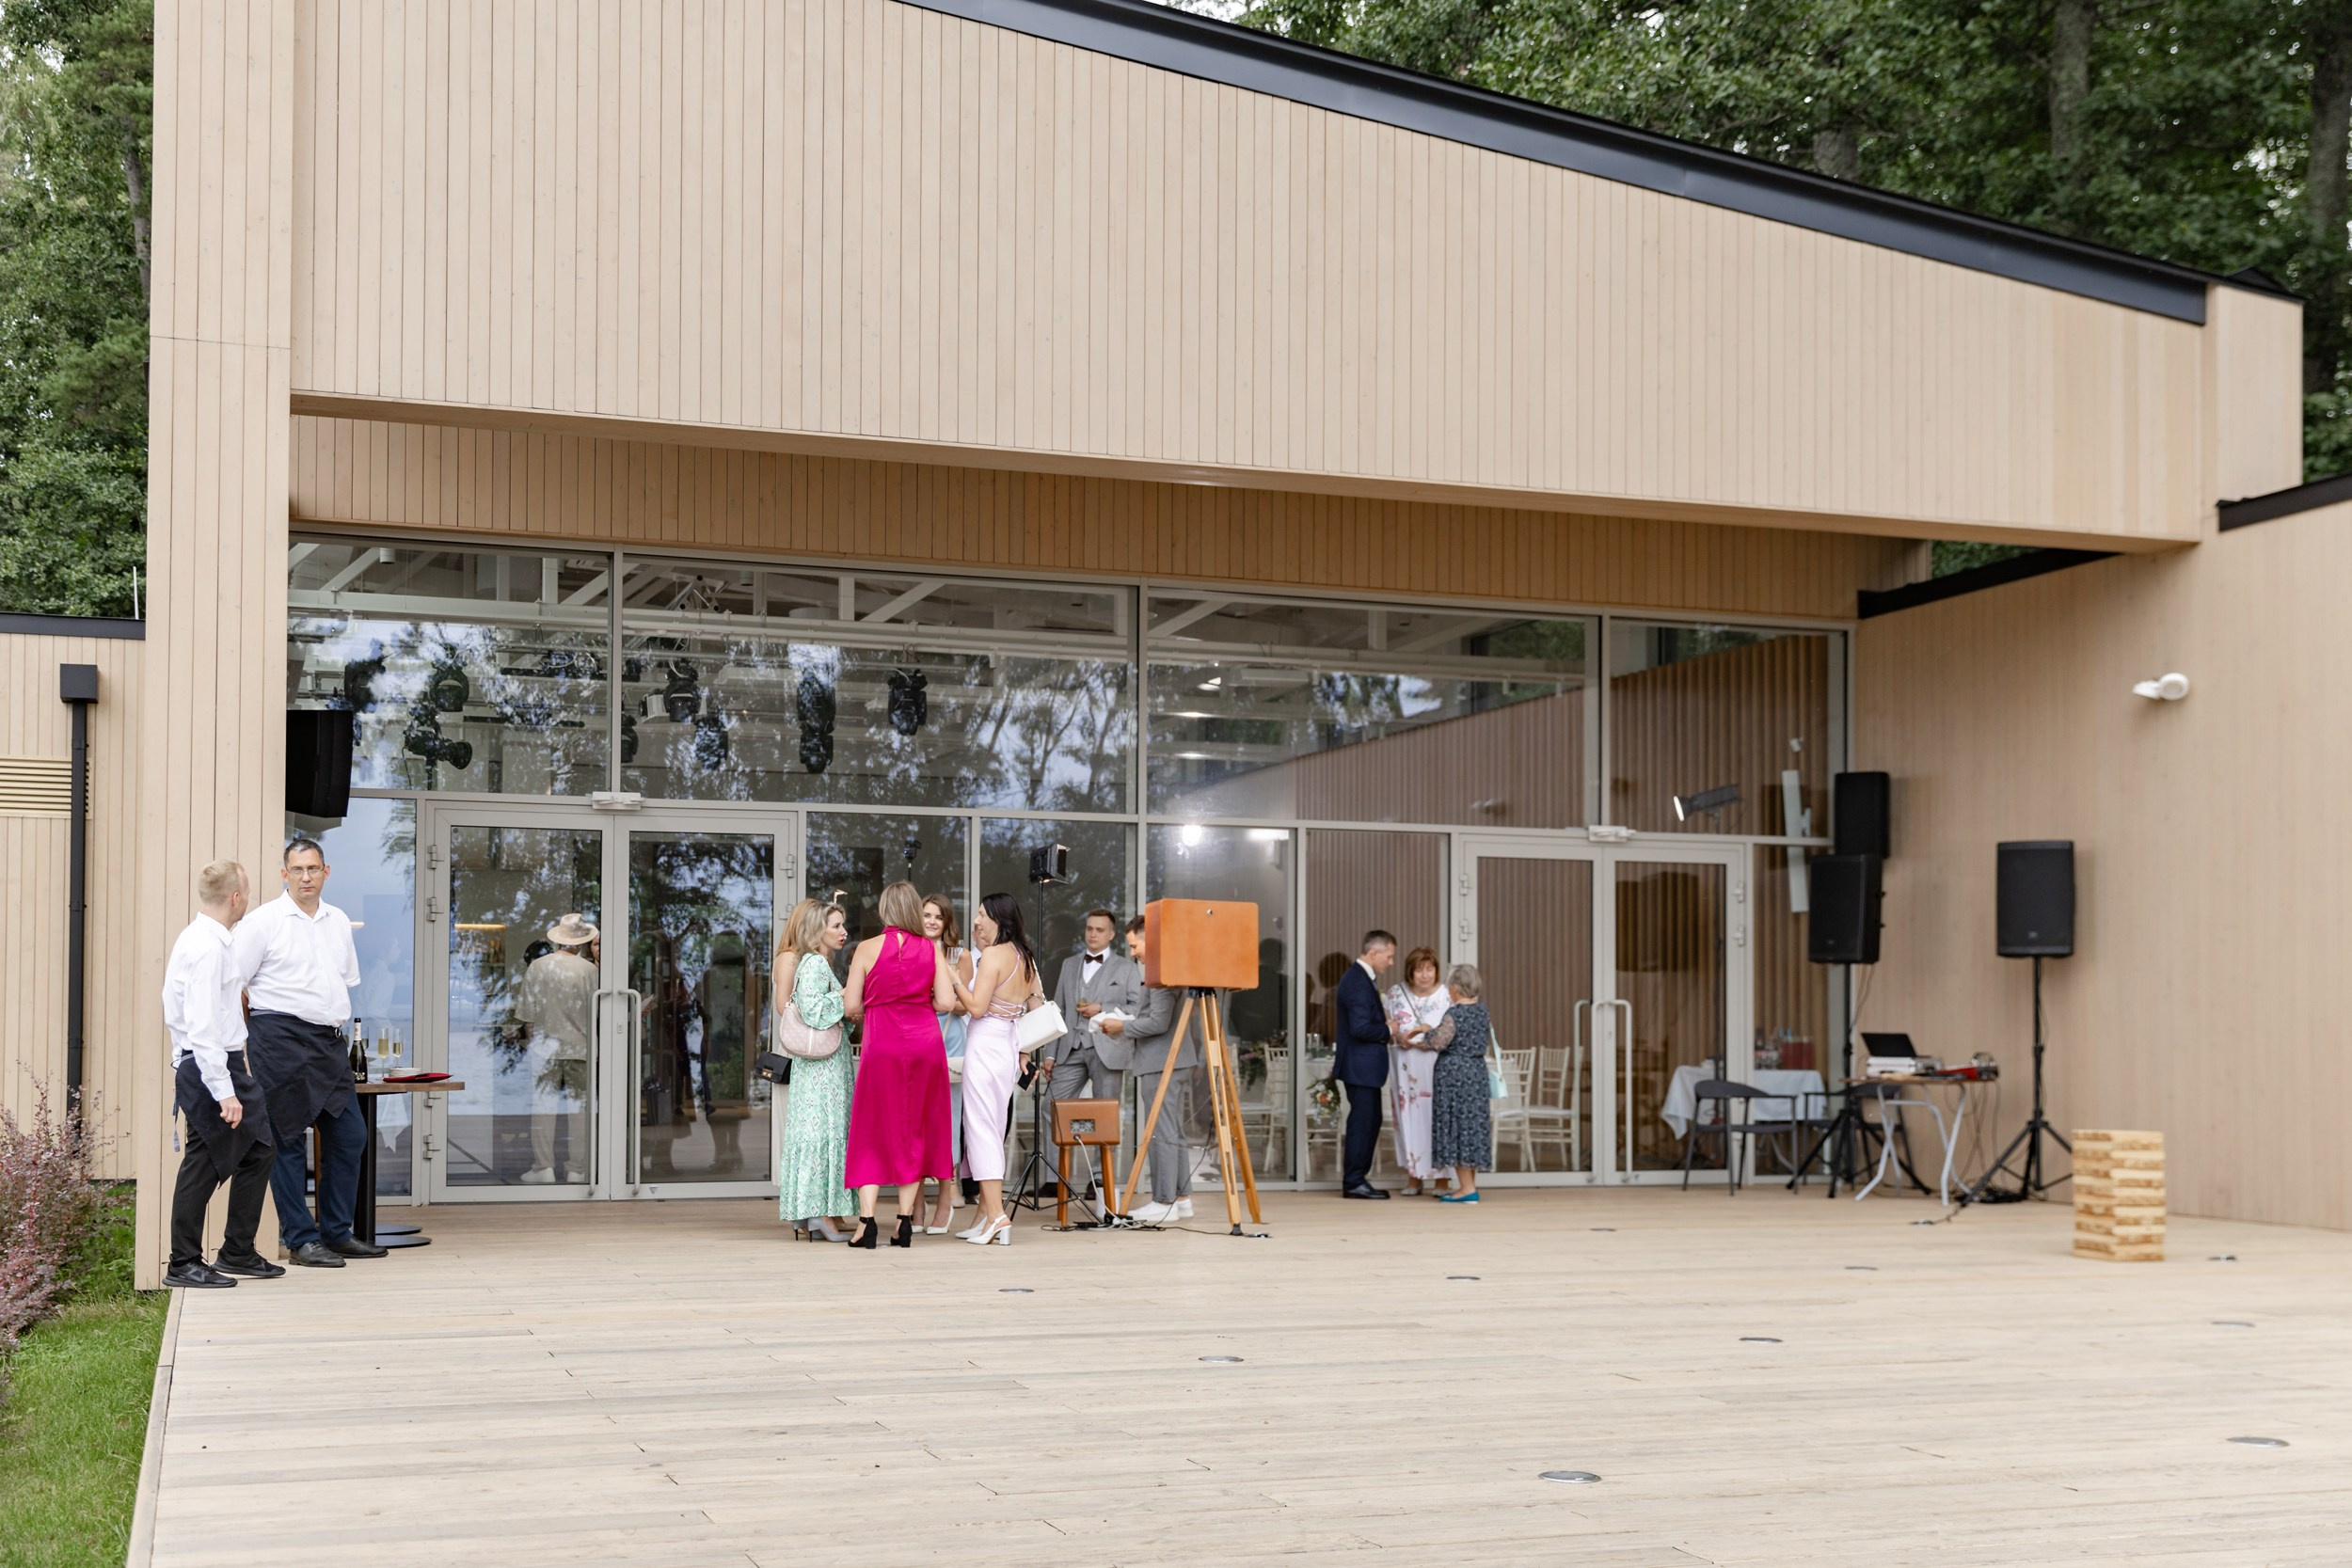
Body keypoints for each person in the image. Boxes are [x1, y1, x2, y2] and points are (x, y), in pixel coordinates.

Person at [236, 836, 381, 1267]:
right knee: (287, 1140)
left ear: (326, 872)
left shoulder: (338, 921)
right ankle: (301, 1240)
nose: (305, 877)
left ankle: (337, 1233)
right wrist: (260, 1038)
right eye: (297, 870)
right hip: (278, 1040)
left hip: (327, 1043)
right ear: (284, 875)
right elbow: (236, 987)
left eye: (313, 869)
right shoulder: (263, 922)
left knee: (350, 1134)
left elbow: (342, 982)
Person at [161, 860, 281, 1289]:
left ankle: (237, 1251)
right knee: (205, 1162)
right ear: (235, 898)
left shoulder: (210, 940)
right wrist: (224, 1091)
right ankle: (183, 1263)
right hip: (208, 1065)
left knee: (259, 1148)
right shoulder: (207, 948)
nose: (247, 900)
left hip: (221, 1062)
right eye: (246, 894)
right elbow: (202, 1028)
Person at [841, 881, 958, 1248]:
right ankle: (905, 1223)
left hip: (883, 1044)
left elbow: (850, 1006)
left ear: (884, 910)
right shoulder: (930, 950)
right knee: (916, 1129)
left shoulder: (866, 948)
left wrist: (874, 1005)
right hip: (925, 1044)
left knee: (872, 1128)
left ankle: (867, 1223)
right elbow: (946, 1003)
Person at [949, 891, 1047, 1246]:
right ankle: (984, 1217)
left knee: (980, 1130)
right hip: (1008, 1047)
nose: (976, 920)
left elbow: (975, 1008)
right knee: (993, 1126)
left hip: (986, 1043)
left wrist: (954, 978)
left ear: (996, 917)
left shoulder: (992, 956)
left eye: (980, 915)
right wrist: (1024, 1051)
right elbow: (1036, 1009)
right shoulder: (1025, 957)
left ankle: (997, 1217)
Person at [1097, 915, 1205, 1225]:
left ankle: (1163, 1199)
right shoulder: (1170, 969)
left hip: (1162, 1060)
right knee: (1173, 1129)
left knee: (1163, 1130)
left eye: (1135, 945)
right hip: (1175, 1058)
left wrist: (1121, 1026)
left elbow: (1158, 1022)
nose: (1132, 953)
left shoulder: (1161, 974)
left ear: (1151, 940)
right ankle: (1181, 1197)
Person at [1043, 908, 1144, 1212]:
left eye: (1100, 930)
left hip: (1108, 1046)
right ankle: (1055, 1176)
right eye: (1089, 928)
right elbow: (1058, 1008)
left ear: (1112, 934)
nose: (1093, 934)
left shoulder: (1126, 967)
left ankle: (1100, 1180)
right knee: (1052, 1105)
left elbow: (1137, 1006)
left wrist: (1104, 1004)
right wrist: (1049, 1053)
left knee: (1106, 1116)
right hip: (1071, 1046)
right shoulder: (1070, 963)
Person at [776, 898, 857, 1242]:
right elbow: (812, 1010)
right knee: (826, 1132)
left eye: (842, 925)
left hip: (817, 1065)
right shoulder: (813, 964)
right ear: (817, 929)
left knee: (816, 1134)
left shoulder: (814, 963)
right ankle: (822, 1214)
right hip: (823, 1068)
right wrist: (848, 996)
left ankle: (809, 1212)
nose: (844, 932)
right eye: (836, 926)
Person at [514, 913, 597, 1185]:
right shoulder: (590, 971)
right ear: (583, 943)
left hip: (545, 1049)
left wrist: (532, 1046)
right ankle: (577, 1169)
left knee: (543, 1110)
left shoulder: (538, 967)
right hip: (581, 1048)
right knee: (580, 1112)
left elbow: (528, 1015)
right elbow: (598, 1014)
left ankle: (543, 1167)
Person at [1329, 929, 1398, 1199]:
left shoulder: (1358, 978)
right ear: (1374, 953)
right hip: (1361, 1067)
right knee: (1363, 1122)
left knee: (1370, 1120)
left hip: (1363, 1067)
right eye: (1389, 957)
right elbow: (1360, 1028)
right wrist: (1388, 1029)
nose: (1390, 963)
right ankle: (1354, 1181)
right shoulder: (1357, 981)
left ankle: (1358, 1178)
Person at [917, 894, 970, 1233]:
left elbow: (967, 1005)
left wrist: (947, 984)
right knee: (916, 1127)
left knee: (947, 1126)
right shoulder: (911, 950)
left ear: (947, 921)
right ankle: (917, 1204)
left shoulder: (960, 955)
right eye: (926, 915)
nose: (932, 921)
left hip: (949, 1042)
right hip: (918, 1042)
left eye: (938, 916)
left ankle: (945, 1202)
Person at [1385, 945, 1453, 1196]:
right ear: (1410, 972)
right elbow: (1387, 1023)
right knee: (1407, 1119)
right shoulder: (1395, 993)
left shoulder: (1447, 995)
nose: (1424, 975)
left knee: (1438, 1119)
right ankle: (1413, 1177)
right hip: (1405, 1064)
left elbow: (1454, 1030)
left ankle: (1442, 1180)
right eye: (1419, 970)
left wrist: (1433, 1040)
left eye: (1429, 969)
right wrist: (1397, 1036)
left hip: (1437, 1065)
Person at [1426, 964, 1495, 1203]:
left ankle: (1467, 1190)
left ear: (1455, 988)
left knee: (1456, 1128)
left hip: (1455, 1076)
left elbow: (1438, 1042)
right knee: (1471, 1127)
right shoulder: (1482, 1012)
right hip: (1476, 1073)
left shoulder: (1454, 1015)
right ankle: (1469, 1185)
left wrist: (1427, 1032)